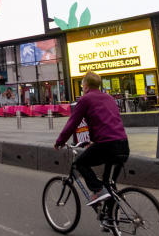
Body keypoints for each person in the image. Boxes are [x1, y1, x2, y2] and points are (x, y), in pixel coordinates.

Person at [54, 71, 129, 206]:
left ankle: (98, 190)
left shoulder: (85, 99)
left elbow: (72, 123)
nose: (83, 88)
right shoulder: (109, 98)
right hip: (123, 144)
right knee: (109, 184)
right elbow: (108, 122)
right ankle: (111, 221)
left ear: (86, 85)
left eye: (82, 86)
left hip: (107, 145)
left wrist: (60, 141)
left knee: (79, 164)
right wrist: (93, 141)